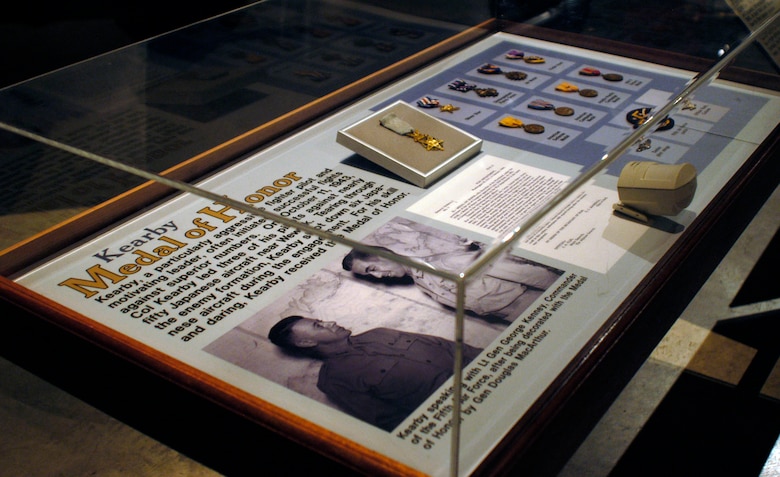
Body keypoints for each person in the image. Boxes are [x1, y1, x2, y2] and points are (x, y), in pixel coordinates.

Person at [268, 316, 482, 432]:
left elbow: (448, 345)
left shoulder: (378, 333)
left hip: (488, 372)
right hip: (468, 414)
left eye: (321, 319)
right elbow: (390, 421)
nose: (330, 322)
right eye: (318, 325)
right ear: (306, 342)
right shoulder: (334, 380)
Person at [342, 245, 561, 321]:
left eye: (373, 269)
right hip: (517, 316)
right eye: (370, 276)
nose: (379, 277)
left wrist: (562, 291)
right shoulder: (422, 284)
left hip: (540, 302)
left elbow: (524, 272)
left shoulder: (447, 262)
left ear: (383, 255)